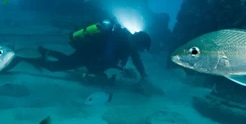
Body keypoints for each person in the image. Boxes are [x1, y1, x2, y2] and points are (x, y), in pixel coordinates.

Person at [18, 19, 152, 81]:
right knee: (56, 67)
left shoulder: (129, 43)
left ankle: (44, 51)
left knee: (67, 60)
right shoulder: (119, 40)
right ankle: (23, 57)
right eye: (141, 49)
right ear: (137, 43)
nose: (140, 51)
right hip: (87, 54)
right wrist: (96, 72)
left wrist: (143, 73)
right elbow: (107, 60)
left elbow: (136, 59)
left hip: (88, 52)